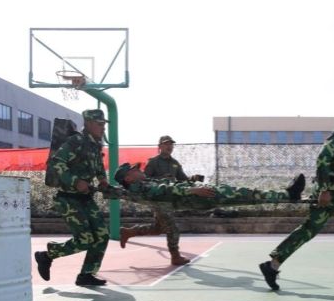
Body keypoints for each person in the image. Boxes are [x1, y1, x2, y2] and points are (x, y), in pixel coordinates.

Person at [258, 95, 334, 291]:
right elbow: (323, 158)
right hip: (333, 191)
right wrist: (324, 190)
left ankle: (272, 266)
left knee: (309, 229)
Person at [34, 109, 111, 287]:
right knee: (85, 240)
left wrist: (103, 181)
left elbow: (98, 166)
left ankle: (86, 274)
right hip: (68, 198)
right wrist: (75, 181)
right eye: (100, 124)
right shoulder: (76, 141)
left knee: (102, 235)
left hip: (85, 198)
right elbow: (56, 162)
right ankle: (47, 255)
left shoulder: (95, 145)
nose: (103, 128)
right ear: (89, 124)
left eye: (104, 124)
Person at [119, 135, 205, 265]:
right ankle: (175, 256)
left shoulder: (175, 163)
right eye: (166, 144)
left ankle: (129, 231)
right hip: (157, 198)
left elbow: (182, 180)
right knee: (172, 228)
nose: (169, 146)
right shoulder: (153, 162)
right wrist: (162, 179)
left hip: (169, 198)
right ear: (160, 146)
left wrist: (193, 178)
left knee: (159, 228)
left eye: (171, 144)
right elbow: (144, 180)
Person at [108, 161, 305, 210]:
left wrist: (191, 182)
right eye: (134, 170)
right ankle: (288, 195)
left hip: (196, 195)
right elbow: (165, 190)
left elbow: (169, 185)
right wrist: (192, 189)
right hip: (197, 196)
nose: (139, 169)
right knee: (245, 193)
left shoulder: (141, 184)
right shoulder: (141, 187)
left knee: (245, 195)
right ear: (129, 178)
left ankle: (286, 195)